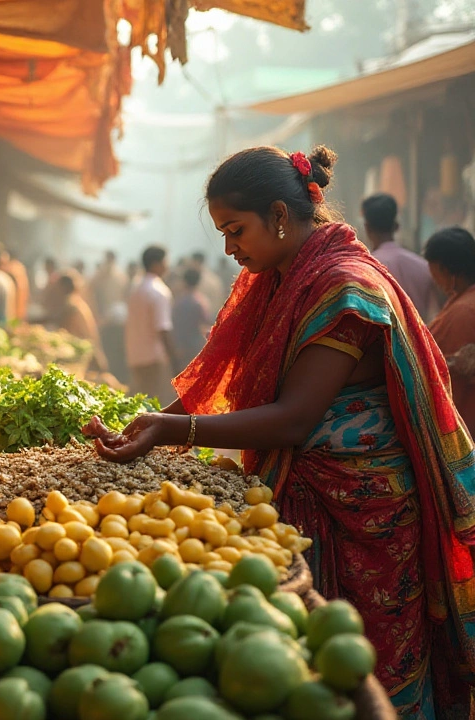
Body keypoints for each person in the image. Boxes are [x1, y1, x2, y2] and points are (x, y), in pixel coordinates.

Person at [88, 145, 475, 718]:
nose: (229, 247)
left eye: (235, 229)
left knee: (365, 666)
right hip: (309, 496)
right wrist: (152, 424)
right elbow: (234, 375)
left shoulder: (343, 286)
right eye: (222, 232)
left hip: (367, 513)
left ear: (277, 214)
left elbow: (295, 417)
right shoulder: (282, 276)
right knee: (313, 667)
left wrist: (173, 429)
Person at [362, 193, 442, 320]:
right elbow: (435, 313)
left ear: (367, 228)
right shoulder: (424, 266)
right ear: (396, 226)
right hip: (419, 337)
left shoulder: (366, 269)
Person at [424, 226, 475, 428]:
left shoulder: (464, 311)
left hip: (462, 419)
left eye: (433, 269)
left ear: (445, 268)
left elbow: (437, 363)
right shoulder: (460, 300)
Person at [124, 245, 175, 403]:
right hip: (154, 358)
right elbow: (162, 329)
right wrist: (174, 361)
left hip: (136, 356)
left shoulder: (136, 288)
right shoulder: (158, 291)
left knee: (143, 402)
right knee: (157, 403)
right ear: (156, 264)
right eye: (165, 261)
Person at [47, 269, 109, 373]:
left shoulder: (72, 305)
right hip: (86, 350)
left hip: (85, 353)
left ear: (64, 288)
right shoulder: (76, 302)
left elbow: (59, 324)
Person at [171, 267, 211, 368]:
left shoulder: (178, 302)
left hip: (181, 344)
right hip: (196, 344)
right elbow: (206, 321)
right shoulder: (200, 302)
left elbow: (174, 323)